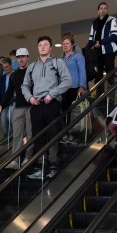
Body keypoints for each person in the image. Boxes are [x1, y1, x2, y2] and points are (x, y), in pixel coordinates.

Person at [22, 35, 72, 180]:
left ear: (50, 47)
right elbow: (24, 85)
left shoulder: (58, 62)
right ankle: (40, 165)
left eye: (45, 45)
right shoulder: (31, 66)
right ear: (37, 48)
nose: (43, 47)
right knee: (37, 136)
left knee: (53, 133)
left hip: (52, 103)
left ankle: (54, 165)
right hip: (36, 104)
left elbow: (68, 81)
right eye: (40, 45)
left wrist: (52, 94)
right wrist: (29, 97)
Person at [0, 49, 32, 170]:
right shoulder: (14, 75)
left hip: (31, 107)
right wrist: (1, 105)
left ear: (27, 57)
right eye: (18, 57)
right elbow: (9, 92)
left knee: (31, 134)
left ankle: (29, 157)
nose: (21, 59)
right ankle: (15, 160)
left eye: (23, 57)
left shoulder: (32, 71)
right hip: (18, 108)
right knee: (16, 135)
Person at [84, 1, 117, 87]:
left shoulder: (111, 20)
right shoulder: (94, 23)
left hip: (108, 51)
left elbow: (114, 36)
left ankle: (110, 98)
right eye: (101, 9)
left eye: (105, 8)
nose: (103, 10)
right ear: (98, 11)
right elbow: (91, 39)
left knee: (110, 73)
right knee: (98, 75)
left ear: (107, 10)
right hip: (97, 53)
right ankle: (99, 98)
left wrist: (100, 42)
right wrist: (84, 50)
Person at [60, 33, 88, 138]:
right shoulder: (60, 59)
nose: (65, 45)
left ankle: (76, 134)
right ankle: (65, 134)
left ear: (72, 45)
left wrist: (82, 86)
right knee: (63, 112)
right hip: (63, 89)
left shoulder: (78, 56)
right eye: (63, 44)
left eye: (67, 43)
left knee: (75, 112)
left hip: (75, 87)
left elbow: (82, 71)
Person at [0, 57, 14, 145]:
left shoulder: (16, 74)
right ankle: (8, 142)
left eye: (7, 66)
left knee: (11, 120)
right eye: (4, 67)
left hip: (13, 102)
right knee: (4, 126)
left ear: (11, 65)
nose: (5, 69)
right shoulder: (3, 77)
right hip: (4, 103)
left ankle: (13, 141)